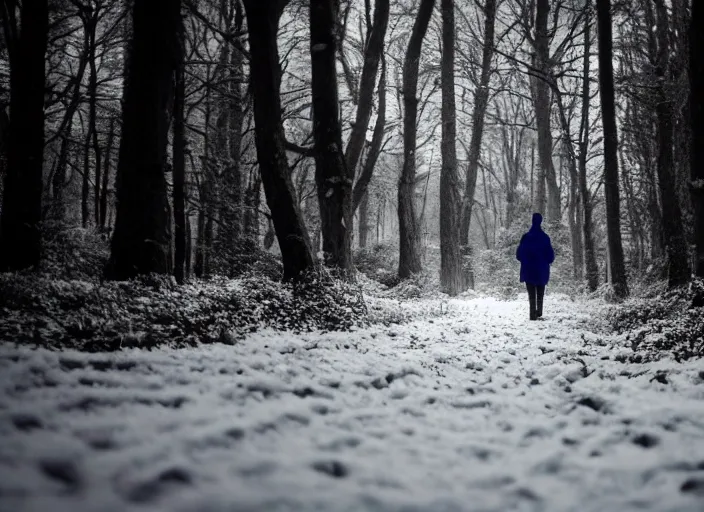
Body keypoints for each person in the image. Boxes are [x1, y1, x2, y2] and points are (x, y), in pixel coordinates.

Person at [516, 213, 555, 320]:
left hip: (528, 270)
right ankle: (539, 312)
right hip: (541, 271)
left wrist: (526, 261)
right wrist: (545, 261)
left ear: (532, 221)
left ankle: (532, 314)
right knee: (540, 293)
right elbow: (551, 256)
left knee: (531, 294)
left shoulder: (525, 237)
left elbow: (519, 255)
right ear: (541, 221)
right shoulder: (545, 238)